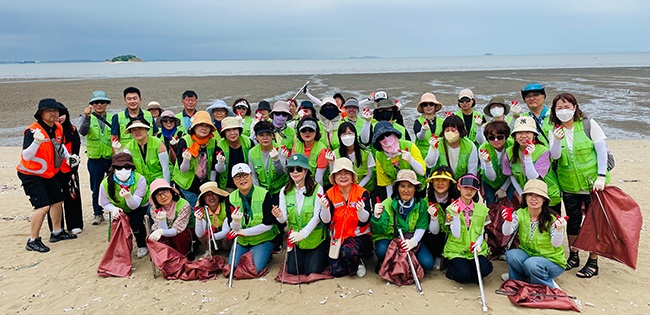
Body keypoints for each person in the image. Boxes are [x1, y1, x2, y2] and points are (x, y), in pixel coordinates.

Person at [548, 93, 610, 278]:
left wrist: (601, 175)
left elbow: (601, 151)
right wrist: (557, 141)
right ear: (554, 111)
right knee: (573, 222)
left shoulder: (588, 125)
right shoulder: (555, 130)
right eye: (559, 108)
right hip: (569, 186)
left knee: (594, 224)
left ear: (575, 108)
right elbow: (555, 156)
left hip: (593, 185)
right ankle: (573, 255)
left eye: (567, 107)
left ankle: (593, 261)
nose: (564, 111)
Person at [18, 98, 79, 252]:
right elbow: (26, 156)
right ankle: (33, 240)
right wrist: (36, 142)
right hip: (30, 174)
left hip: (48, 173)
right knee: (43, 206)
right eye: (49, 111)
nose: (53, 113)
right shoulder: (32, 131)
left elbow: (59, 145)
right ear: (41, 114)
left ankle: (57, 232)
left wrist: (68, 157)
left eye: (55, 110)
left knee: (58, 200)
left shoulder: (57, 127)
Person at [502, 179, 567, 287]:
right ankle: (519, 280)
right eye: (530, 195)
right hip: (529, 256)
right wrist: (508, 222)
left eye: (538, 195)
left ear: (544, 199)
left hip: (551, 261)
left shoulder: (552, 219)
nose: (534, 199)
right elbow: (506, 232)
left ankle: (546, 284)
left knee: (531, 264)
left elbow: (556, 243)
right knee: (512, 255)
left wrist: (559, 230)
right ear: (525, 198)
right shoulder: (520, 213)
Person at [275, 153, 329, 276]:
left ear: (306, 171)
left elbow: (317, 216)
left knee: (312, 270)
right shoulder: (284, 191)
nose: (295, 172)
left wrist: (303, 234)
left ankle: (322, 254)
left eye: (299, 169)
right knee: (294, 270)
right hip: (297, 240)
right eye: (291, 169)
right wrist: (279, 215)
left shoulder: (317, 188)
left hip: (314, 238)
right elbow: (283, 219)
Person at [372, 169, 435, 272]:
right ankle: (385, 262)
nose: (406, 190)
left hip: (409, 238)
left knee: (428, 263)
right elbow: (380, 230)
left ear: (415, 189)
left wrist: (413, 242)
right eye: (402, 186)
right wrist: (377, 216)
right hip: (389, 238)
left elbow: (421, 226)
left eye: (410, 186)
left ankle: (404, 265)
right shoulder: (387, 203)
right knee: (381, 250)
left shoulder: (421, 204)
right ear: (397, 188)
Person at [320, 158, 372, 277]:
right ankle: (348, 261)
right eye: (339, 173)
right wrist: (324, 208)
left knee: (348, 252)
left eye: (347, 173)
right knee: (336, 272)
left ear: (352, 176)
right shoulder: (329, 194)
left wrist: (361, 211)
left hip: (358, 236)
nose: (343, 176)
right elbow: (326, 221)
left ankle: (358, 261)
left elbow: (365, 221)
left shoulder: (362, 192)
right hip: (337, 237)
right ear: (334, 177)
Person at [438, 174, 493, 283]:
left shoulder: (482, 210)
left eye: (473, 189)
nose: (469, 191)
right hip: (456, 250)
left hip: (476, 249)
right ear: (459, 187)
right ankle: (454, 270)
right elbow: (456, 234)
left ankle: (470, 270)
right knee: (464, 276)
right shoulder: (450, 209)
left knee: (485, 269)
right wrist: (457, 216)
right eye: (466, 188)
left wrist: (478, 243)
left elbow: (481, 231)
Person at [226, 163, 279, 274]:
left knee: (254, 270)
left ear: (251, 176)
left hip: (262, 239)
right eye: (238, 177)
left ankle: (266, 253)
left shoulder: (264, 194)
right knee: (232, 269)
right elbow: (234, 227)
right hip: (242, 241)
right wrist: (236, 222)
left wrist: (243, 232)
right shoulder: (230, 198)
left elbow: (268, 224)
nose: (242, 179)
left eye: (245, 175)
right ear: (234, 181)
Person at [503, 117, 562, 211]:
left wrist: (528, 157)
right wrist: (521, 193)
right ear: (514, 136)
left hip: (549, 196)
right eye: (519, 132)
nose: (523, 136)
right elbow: (512, 175)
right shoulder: (509, 152)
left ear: (534, 135)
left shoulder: (543, 151)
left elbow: (533, 178)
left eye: (527, 132)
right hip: (528, 197)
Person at [99, 153, 150, 258]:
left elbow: (134, 206)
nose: (123, 170)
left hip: (140, 204)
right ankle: (120, 247)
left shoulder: (140, 179)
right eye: (119, 167)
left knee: (135, 222)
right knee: (118, 222)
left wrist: (128, 197)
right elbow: (103, 202)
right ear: (113, 169)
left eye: (126, 167)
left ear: (132, 168)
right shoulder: (105, 183)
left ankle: (142, 244)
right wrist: (113, 209)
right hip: (119, 206)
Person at [46, 104, 84, 235]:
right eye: (57, 114)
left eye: (62, 114)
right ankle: (56, 227)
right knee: (54, 200)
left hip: (69, 170)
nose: (59, 117)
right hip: (52, 171)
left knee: (72, 197)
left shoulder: (72, 130)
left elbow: (76, 153)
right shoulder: (47, 131)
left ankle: (75, 224)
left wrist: (74, 171)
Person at [79, 90, 113, 225]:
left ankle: (114, 210)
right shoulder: (87, 117)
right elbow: (82, 131)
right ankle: (98, 213)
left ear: (106, 104)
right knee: (96, 187)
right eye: (96, 102)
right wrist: (86, 117)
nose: (99, 104)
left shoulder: (112, 118)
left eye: (102, 102)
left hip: (110, 157)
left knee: (113, 185)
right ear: (91, 104)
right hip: (95, 159)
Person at [173, 111, 218, 208]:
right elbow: (183, 170)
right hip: (187, 183)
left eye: (207, 126)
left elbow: (214, 166)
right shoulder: (185, 141)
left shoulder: (213, 142)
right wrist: (186, 160)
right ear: (194, 127)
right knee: (195, 210)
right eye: (201, 125)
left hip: (205, 183)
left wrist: (212, 185)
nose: (204, 128)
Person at [372, 121, 425, 199]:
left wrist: (411, 160)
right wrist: (390, 201)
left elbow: (422, 172)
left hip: (418, 189)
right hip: (399, 192)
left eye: (388, 134)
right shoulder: (379, 155)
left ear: (394, 134)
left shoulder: (409, 146)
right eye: (381, 137)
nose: (386, 140)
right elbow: (387, 183)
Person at [422, 166, 460, 270]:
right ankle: (437, 255)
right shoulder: (425, 201)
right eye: (437, 180)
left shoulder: (458, 200)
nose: (440, 183)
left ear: (450, 183)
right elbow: (433, 231)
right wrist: (434, 218)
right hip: (434, 235)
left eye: (444, 180)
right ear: (432, 182)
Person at [148, 178, 194, 258]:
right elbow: (159, 229)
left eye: (165, 192)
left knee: (180, 236)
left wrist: (161, 231)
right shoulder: (154, 209)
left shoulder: (183, 205)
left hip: (183, 232)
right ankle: (167, 257)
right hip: (169, 235)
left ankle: (185, 255)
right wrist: (161, 221)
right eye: (158, 195)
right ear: (155, 199)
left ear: (171, 192)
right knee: (156, 237)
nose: (163, 197)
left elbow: (177, 229)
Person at [425, 115, 478, 179]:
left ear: (460, 131)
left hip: (460, 183)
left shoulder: (470, 146)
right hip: (441, 182)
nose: (450, 133)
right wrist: (433, 149)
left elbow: (472, 171)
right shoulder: (437, 143)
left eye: (453, 130)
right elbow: (429, 164)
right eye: (447, 130)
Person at [118, 119, 170, 185]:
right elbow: (126, 170)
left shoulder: (158, 143)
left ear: (146, 129)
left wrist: (167, 185)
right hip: (140, 182)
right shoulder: (128, 147)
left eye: (140, 128)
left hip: (158, 181)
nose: (137, 132)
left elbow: (165, 168)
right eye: (133, 130)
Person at [248, 120, 288, 200]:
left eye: (268, 135)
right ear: (256, 136)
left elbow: (282, 172)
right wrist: (258, 193)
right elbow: (254, 176)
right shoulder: (252, 152)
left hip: (280, 190)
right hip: (262, 191)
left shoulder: (280, 149)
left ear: (273, 136)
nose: (265, 138)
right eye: (261, 135)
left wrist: (276, 160)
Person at [478, 121, 515, 206]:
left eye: (500, 137)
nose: (496, 140)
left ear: (506, 136)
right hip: (489, 182)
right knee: (491, 206)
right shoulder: (483, 148)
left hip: (508, 180)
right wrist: (488, 162)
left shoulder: (512, 145)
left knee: (507, 206)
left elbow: (513, 170)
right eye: (491, 138)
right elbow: (491, 178)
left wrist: (503, 188)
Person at [335, 121, 376, 193]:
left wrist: (357, 189)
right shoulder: (335, 154)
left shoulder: (366, 153)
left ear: (355, 135)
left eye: (350, 133)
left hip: (364, 190)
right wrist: (331, 162)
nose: (347, 137)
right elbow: (334, 176)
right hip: (343, 190)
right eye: (344, 134)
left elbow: (369, 175)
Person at [216, 116, 253, 192]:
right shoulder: (220, 146)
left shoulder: (248, 142)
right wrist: (220, 162)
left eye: (234, 129)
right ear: (224, 133)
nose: (232, 133)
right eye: (228, 130)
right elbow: (219, 170)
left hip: (247, 183)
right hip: (228, 185)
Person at [194, 182, 231, 254]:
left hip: (224, 239)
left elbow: (225, 231)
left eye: (213, 193)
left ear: (218, 195)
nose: (211, 197)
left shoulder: (226, 207)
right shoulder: (203, 211)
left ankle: (229, 252)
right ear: (203, 199)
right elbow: (199, 234)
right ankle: (209, 251)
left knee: (227, 236)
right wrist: (198, 220)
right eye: (207, 195)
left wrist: (212, 236)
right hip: (211, 240)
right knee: (202, 235)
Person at [292, 116, 329, 187]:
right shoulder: (296, 147)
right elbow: (294, 171)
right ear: (299, 132)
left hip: (316, 184)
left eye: (311, 130)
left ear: (316, 131)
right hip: (299, 182)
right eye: (304, 130)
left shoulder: (322, 149)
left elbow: (318, 178)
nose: (307, 133)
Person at [413, 93, 445, 158]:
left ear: (435, 106)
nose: (428, 106)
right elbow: (420, 137)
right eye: (425, 105)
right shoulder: (418, 122)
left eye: (431, 104)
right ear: (422, 107)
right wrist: (423, 130)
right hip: (422, 156)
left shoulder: (442, 121)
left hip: (438, 154)